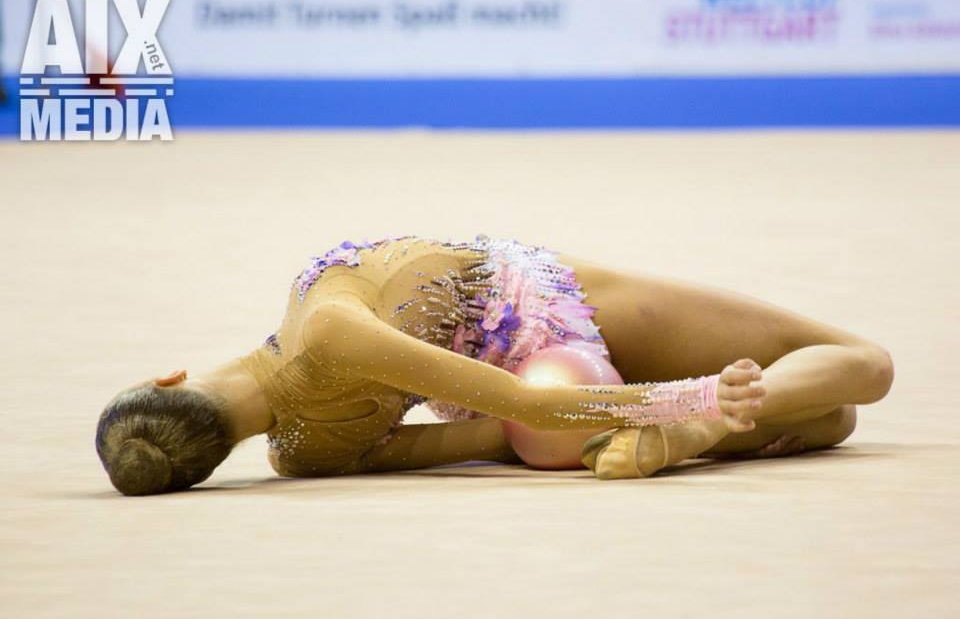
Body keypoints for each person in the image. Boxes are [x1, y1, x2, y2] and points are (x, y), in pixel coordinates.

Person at [95, 235, 893, 495]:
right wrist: (693, 399)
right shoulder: (325, 321)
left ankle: (698, 439)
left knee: (831, 416)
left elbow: (495, 435)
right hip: (552, 311)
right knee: (866, 364)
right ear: (169, 378)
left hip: (549, 409)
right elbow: (525, 405)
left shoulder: (302, 456)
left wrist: (680, 417)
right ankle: (694, 430)